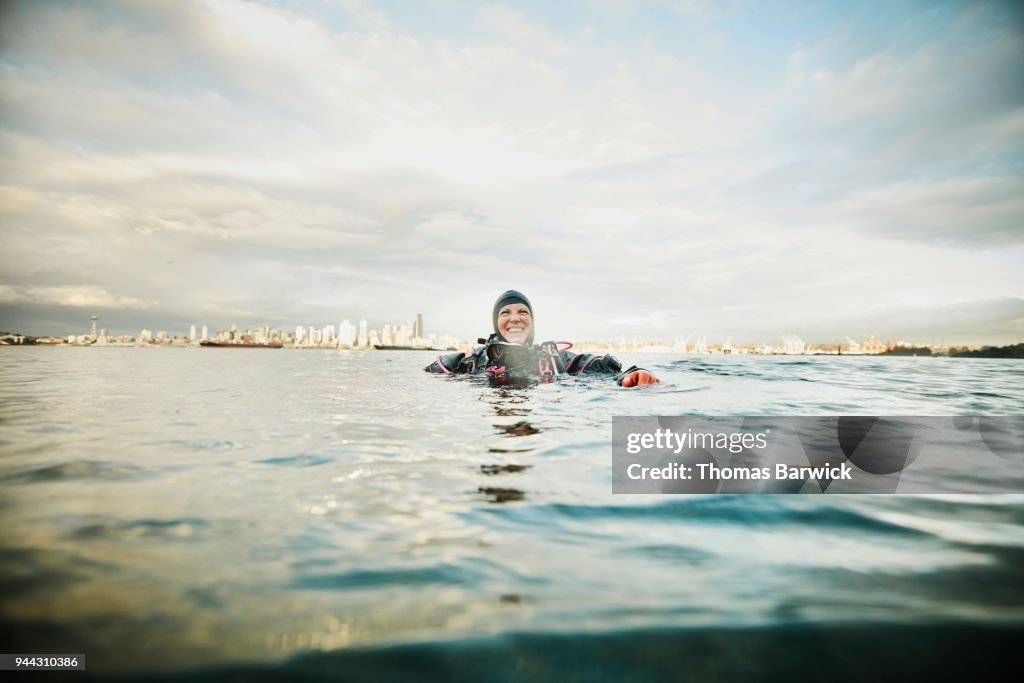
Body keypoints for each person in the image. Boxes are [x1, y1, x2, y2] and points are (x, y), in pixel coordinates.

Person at [424, 290, 660, 387]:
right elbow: (431, 372)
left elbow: (602, 369)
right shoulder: (473, 362)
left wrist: (632, 374)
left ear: (532, 323)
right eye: (505, 313)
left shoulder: (553, 358)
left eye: (522, 312)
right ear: (495, 323)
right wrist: (458, 361)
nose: (515, 318)